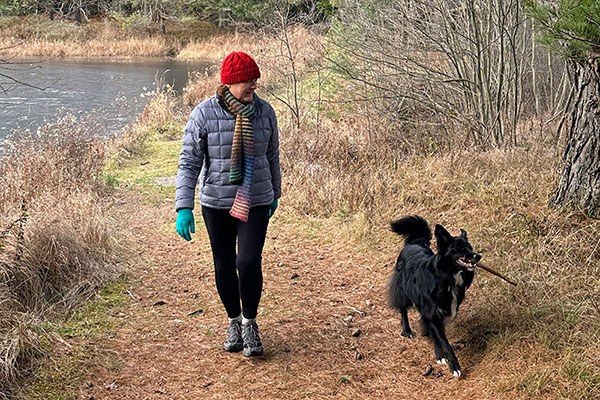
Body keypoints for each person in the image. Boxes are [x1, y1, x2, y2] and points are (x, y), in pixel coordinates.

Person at [174, 51, 281, 357]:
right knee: (223, 264)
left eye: (255, 81)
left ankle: (250, 322)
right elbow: (189, 163)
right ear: (231, 83)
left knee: (247, 262)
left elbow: (272, 156)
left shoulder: (266, 112)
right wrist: (184, 206)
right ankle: (233, 320)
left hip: (256, 200)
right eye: (249, 81)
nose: (254, 87)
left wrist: (275, 193)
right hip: (216, 203)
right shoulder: (203, 114)